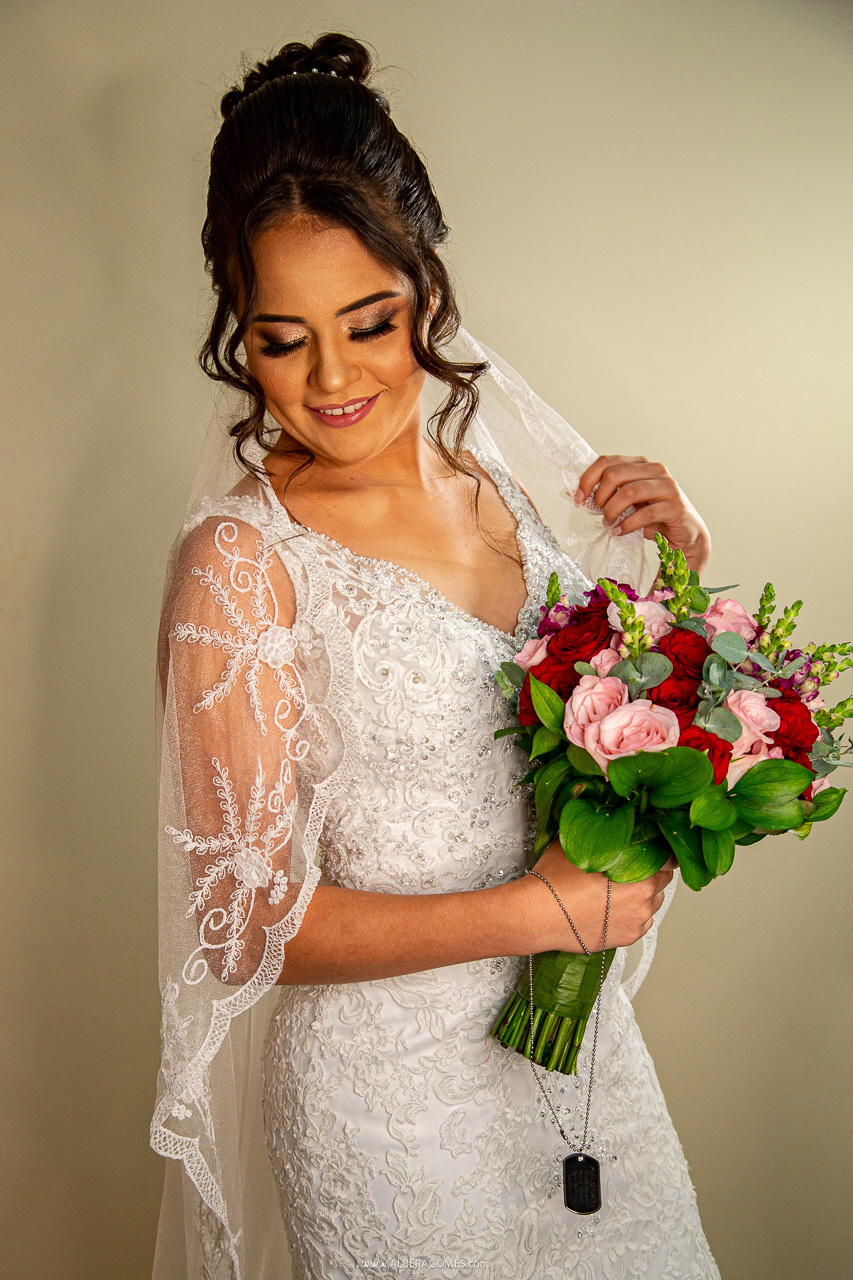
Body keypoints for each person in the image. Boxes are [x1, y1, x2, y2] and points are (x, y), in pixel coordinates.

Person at [150, 32, 720, 1280]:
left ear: (427, 281)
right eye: (280, 338)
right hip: (387, 1112)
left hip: (580, 1069)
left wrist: (678, 567)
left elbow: (617, 735)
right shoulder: (242, 562)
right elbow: (239, 923)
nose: (331, 377)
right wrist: (537, 912)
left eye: (369, 321)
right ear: (239, 334)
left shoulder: (509, 489)